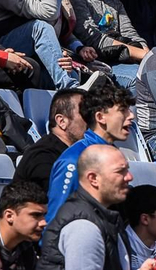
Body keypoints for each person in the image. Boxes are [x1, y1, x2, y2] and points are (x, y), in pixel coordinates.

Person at [44, 81, 135, 220]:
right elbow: (55, 219)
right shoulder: (74, 160)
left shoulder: (112, 153)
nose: (131, 116)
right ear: (100, 117)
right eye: (123, 110)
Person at [17, 87, 85, 186]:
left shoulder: (79, 153)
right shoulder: (42, 157)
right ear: (62, 121)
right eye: (86, 114)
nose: (94, 121)